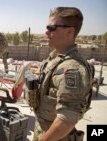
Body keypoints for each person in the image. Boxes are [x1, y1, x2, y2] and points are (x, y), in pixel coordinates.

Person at [30, 7, 93, 141]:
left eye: (52, 28)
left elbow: (67, 119)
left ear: (70, 31)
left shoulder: (71, 69)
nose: (46, 32)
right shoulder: (54, 59)